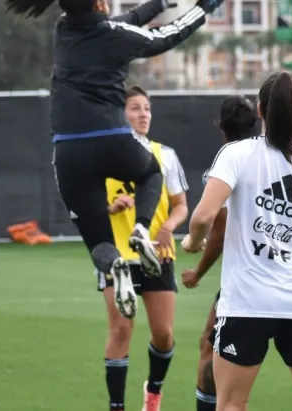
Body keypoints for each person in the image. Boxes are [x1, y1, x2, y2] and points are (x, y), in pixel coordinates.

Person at [1, 0, 228, 320]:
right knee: (151, 173)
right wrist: (201, 10)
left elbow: (119, 23)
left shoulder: (63, 29)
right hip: (112, 139)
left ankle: (115, 265)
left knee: (99, 242)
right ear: (99, 3)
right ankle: (141, 230)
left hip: (68, 151)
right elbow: (164, 37)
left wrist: (153, 6)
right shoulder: (115, 35)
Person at [181, 95, 292, 411]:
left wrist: (191, 242)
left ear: (261, 110)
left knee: (232, 403)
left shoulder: (235, 155)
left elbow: (202, 219)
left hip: (247, 302)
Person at [97, 86, 190, 411]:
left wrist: (168, 227)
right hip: (117, 256)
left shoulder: (165, 155)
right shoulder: (103, 157)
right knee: (121, 329)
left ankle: (154, 391)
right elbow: (86, 207)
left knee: (164, 334)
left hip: (157, 254)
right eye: (135, 108)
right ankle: (117, 406)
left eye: (147, 108)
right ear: (120, 114)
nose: (143, 114)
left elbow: (181, 206)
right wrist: (110, 208)